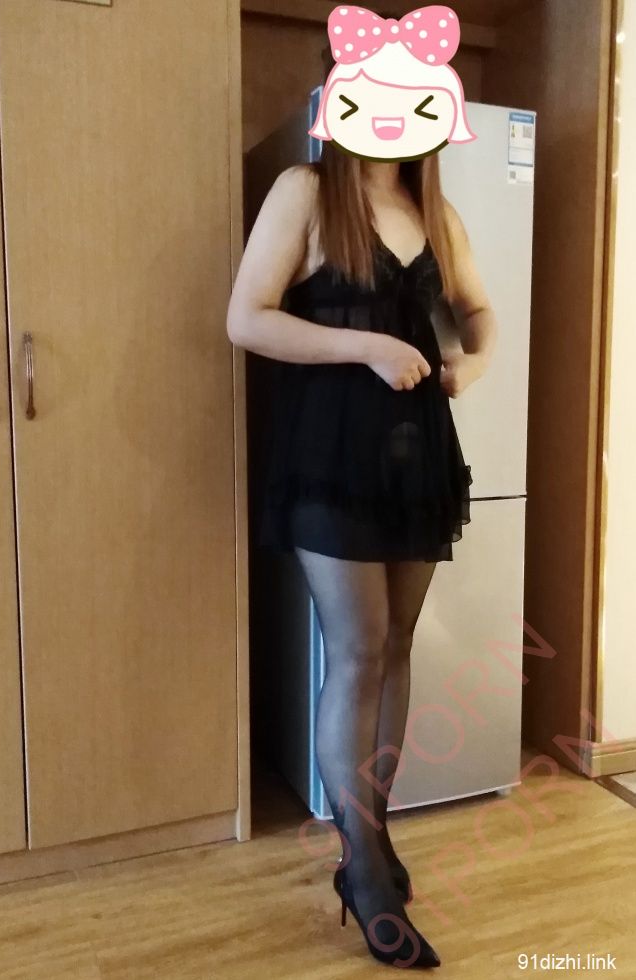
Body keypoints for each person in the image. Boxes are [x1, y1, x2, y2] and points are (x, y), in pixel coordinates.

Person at [227, 100, 497, 969]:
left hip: (418, 462)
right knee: (357, 649)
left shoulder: (435, 211)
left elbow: (479, 313)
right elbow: (247, 318)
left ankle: (371, 837)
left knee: (397, 645)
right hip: (327, 457)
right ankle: (365, 869)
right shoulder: (305, 191)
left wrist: (470, 365)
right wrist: (368, 348)